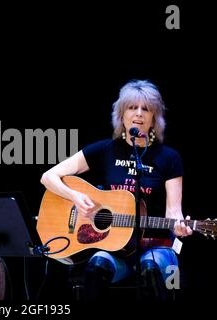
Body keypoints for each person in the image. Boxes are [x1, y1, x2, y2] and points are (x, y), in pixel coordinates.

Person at [40, 79, 193, 301]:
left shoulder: (169, 158)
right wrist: (76, 196)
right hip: (116, 249)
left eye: (146, 109)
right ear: (122, 115)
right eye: (132, 108)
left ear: (154, 119)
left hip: (156, 248)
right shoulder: (105, 150)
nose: (139, 114)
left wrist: (180, 227)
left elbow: (173, 213)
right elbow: (48, 177)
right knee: (96, 268)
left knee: (150, 270)